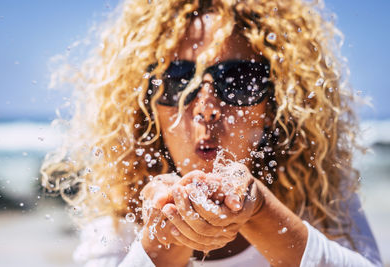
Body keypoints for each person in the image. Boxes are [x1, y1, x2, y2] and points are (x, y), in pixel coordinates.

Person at [41, 0, 382, 266]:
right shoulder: (122, 214)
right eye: (177, 81)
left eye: (238, 81)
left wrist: (261, 209)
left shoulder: (318, 198)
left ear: (273, 105)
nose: (206, 107)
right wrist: (164, 241)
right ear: (149, 108)